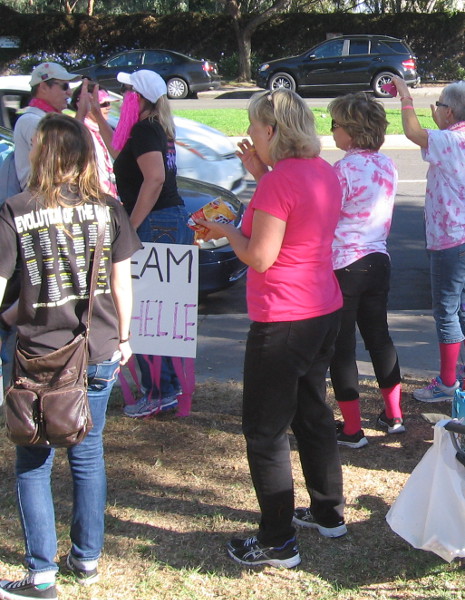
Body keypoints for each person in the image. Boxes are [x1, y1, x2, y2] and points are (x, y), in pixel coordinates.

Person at [195, 89, 346, 568]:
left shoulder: (277, 182)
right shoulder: (321, 170)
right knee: (311, 414)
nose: (249, 134)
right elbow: (300, 217)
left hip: (284, 319)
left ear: (273, 130)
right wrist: (262, 177)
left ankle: (277, 541)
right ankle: (329, 513)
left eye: (254, 126)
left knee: (264, 433)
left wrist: (226, 233)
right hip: (323, 309)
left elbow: (259, 256)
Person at [0, 114, 141, 600]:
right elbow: (123, 283)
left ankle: (41, 574)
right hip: (97, 348)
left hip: (36, 352)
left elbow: (2, 286)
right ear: (83, 155)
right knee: (88, 452)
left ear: (41, 154)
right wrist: (125, 339)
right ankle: (87, 559)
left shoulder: (15, 210)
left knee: (33, 456)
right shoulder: (110, 209)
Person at [112, 69, 194, 419]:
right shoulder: (151, 129)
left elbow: (155, 179)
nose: (122, 96)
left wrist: (131, 227)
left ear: (139, 97)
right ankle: (166, 389)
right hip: (167, 220)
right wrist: (96, 117)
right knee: (160, 311)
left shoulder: (146, 130)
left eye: (127, 91)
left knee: (146, 312)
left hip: (155, 223)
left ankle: (159, 391)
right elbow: (121, 151)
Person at [327, 92, 404, 449]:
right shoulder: (388, 164)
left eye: (335, 125)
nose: (332, 131)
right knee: (379, 338)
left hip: (345, 265)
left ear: (352, 131)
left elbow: (326, 216)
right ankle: (393, 415)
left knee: (342, 347)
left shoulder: (342, 169)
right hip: (379, 260)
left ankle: (352, 429)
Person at [391, 76, 465, 402]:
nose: (436, 110)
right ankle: (459, 376)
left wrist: (406, 96)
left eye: (440, 105)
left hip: (450, 239)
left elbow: (412, 132)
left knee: (446, 311)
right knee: (462, 311)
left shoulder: (448, 142)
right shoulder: (453, 138)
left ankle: (448, 383)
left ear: (450, 112)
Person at [13, 61, 81, 190]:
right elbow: (59, 164)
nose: (70, 92)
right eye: (64, 86)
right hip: (43, 200)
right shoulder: (32, 121)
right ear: (43, 87)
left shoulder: (46, 118)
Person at [70, 81, 118, 197]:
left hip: (111, 194)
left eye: (109, 103)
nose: (108, 107)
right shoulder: (80, 131)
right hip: (91, 195)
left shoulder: (106, 130)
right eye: (102, 104)